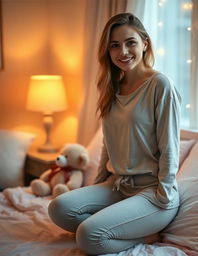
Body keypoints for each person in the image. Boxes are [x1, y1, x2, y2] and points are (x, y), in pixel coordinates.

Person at [48, 12, 181, 255]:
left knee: (88, 236)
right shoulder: (111, 87)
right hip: (118, 186)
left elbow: (170, 147)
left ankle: (146, 235)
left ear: (144, 43)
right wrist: (98, 186)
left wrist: (163, 195)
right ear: (108, 51)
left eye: (131, 42)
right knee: (58, 208)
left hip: (153, 193)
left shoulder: (160, 85)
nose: (123, 52)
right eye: (115, 46)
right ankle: (123, 228)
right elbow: (108, 144)